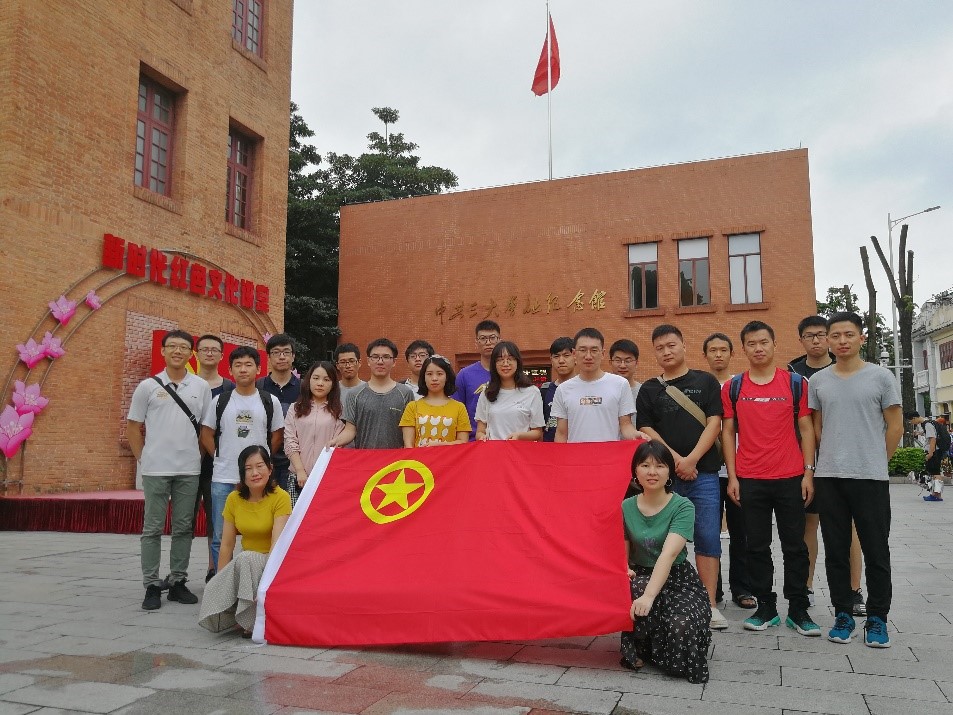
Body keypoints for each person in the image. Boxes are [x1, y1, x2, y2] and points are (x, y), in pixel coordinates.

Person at [810, 312, 903, 647]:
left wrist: (877, 460)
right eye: (835, 335)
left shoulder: (881, 377)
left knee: (876, 550)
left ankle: (877, 618)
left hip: (870, 478)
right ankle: (843, 614)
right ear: (828, 340)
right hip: (830, 477)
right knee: (836, 551)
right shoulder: (818, 381)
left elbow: (895, 426)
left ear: (861, 338)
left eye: (849, 334)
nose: (842, 341)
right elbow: (817, 428)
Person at [723, 321, 819, 636]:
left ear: (774, 344)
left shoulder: (795, 383)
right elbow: (727, 432)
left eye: (763, 342)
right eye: (751, 343)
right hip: (749, 478)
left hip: (791, 476)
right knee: (756, 546)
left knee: (795, 546)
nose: (758, 348)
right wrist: (733, 476)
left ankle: (798, 608)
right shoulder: (734, 387)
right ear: (744, 348)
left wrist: (808, 472)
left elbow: (806, 429)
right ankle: (765, 607)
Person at [636, 324, 727, 630]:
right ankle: (662, 600)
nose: (666, 351)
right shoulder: (649, 389)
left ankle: (709, 605)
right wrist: (676, 460)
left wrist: (692, 460)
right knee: (661, 541)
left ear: (684, 346)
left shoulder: (706, 381)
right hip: (665, 478)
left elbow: (715, 423)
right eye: (660, 347)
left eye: (671, 345)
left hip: (704, 475)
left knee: (707, 537)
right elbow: (646, 428)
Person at [128, 329, 212, 610]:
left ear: (191, 353)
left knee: (184, 528)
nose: (178, 351)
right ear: (163, 351)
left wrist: (197, 456)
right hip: (156, 469)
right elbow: (133, 427)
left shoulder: (201, 386)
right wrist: (143, 459)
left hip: (189, 470)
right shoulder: (147, 386)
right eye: (172, 346)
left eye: (184, 347)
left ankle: (177, 581)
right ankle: (151, 585)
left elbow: (205, 428)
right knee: (152, 529)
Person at [789, 316, 865, 614]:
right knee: (808, 524)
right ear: (801, 340)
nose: (817, 340)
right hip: (806, 461)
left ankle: (854, 590)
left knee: (850, 526)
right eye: (810, 335)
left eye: (822, 334)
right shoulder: (792, 374)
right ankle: (806, 587)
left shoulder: (847, 369)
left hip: (843, 459)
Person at [620, 440, 712, 684]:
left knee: (681, 626)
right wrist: (625, 570)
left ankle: (660, 642)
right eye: (645, 465)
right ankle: (644, 645)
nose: (652, 472)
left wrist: (649, 596)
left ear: (669, 471)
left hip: (678, 578)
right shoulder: (625, 507)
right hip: (641, 576)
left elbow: (668, 555)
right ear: (635, 470)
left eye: (660, 466)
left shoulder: (683, 506)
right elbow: (623, 552)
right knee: (636, 586)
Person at [200, 346, 284, 575]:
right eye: (238, 365)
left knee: (261, 532)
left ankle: (258, 578)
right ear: (230, 370)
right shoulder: (220, 401)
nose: (243, 369)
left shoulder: (270, 401)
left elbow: (277, 435)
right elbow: (206, 433)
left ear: (258, 368)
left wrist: (261, 463)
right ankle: (222, 582)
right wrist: (220, 456)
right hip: (224, 476)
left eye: (248, 365)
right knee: (220, 536)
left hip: (258, 479)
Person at [199, 445, 291, 637]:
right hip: (246, 564)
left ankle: (251, 621)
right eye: (248, 469)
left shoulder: (280, 497)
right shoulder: (233, 499)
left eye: (259, 466)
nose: (255, 473)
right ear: (242, 474)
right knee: (233, 569)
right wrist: (221, 581)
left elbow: (277, 546)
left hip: (272, 563)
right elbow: (226, 545)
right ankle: (239, 614)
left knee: (247, 558)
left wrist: (266, 584)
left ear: (270, 469)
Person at [703, 332, 755, 610]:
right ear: (705, 355)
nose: (718, 355)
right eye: (713, 350)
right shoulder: (700, 386)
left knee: (741, 532)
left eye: (723, 349)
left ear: (732, 353)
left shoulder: (741, 385)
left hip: (740, 469)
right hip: (708, 470)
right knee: (709, 532)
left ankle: (742, 588)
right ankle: (714, 588)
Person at [552, 328, 642, 443]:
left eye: (594, 350)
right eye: (583, 350)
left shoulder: (620, 384)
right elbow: (561, 433)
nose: (588, 356)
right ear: (574, 353)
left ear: (603, 353)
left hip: (609, 453)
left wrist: (637, 435)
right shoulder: (563, 389)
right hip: (575, 453)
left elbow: (626, 426)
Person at [194, 334, 234, 583]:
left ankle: (213, 568)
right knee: (184, 520)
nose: (209, 353)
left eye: (214, 350)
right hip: (187, 460)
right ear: (196, 353)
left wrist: (217, 455)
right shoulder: (187, 385)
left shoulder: (229, 388)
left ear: (221, 355)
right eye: (204, 349)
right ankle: (178, 575)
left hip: (217, 463)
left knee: (216, 517)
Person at [329, 338, 415, 449]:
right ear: (368, 361)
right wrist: (336, 441)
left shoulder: (405, 393)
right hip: (365, 457)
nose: (380, 361)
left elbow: (409, 435)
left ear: (394, 362)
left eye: (386, 357)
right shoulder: (354, 394)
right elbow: (350, 430)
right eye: (375, 357)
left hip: (396, 459)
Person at [284, 361, 345, 504]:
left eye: (326, 379)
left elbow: (338, 446)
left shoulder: (339, 411)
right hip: (298, 477)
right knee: (297, 517)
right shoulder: (295, 408)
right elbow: (289, 440)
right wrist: (300, 470)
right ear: (308, 380)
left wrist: (323, 474)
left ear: (333, 384)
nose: (320, 383)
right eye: (316, 378)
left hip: (326, 478)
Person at [257, 334, 301, 494]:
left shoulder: (304, 388)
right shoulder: (258, 386)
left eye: (286, 352)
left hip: (296, 462)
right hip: (264, 460)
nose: (282, 357)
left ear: (293, 356)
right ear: (268, 357)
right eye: (276, 352)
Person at [475, 342, 544, 441]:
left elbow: (537, 432)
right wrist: (482, 437)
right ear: (494, 364)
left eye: (510, 359)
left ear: (517, 362)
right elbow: (480, 431)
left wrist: (519, 436)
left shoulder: (532, 392)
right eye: (500, 360)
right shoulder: (487, 392)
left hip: (520, 449)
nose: (505, 364)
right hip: (494, 449)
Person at [399, 355, 471, 446]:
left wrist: (440, 445)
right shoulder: (412, 407)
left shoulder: (459, 407)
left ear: (447, 377)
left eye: (439, 374)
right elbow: (408, 445)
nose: (434, 378)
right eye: (429, 374)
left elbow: (463, 442)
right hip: (419, 455)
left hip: (449, 455)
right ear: (423, 377)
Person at [453, 320, 501, 440]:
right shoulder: (464, 375)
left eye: (492, 338)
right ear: (476, 342)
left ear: (499, 340)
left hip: (504, 439)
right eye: (483, 338)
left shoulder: (508, 374)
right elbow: (456, 410)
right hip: (473, 441)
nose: (488, 342)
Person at [906, 411, 948, 501]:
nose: (911, 423)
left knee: (935, 472)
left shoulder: (927, 424)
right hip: (936, 450)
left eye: (911, 421)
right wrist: (919, 433)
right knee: (934, 472)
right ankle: (935, 494)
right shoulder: (927, 423)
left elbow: (932, 439)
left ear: (914, 418)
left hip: (934, 451)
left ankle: (936, 495)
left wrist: (930, 453)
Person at [540, 337, 575, 442]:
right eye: (556, 356)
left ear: (575, 357)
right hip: (550, 448)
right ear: (551, 360)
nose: (561, 361)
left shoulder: (584, 388)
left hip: (577, 447)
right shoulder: (544, 391)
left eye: (566, 355)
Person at [609, 338, 642, 411]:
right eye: (618, 360)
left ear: (636, 363)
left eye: (628, 361)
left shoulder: (643, 392)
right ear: (610, 363)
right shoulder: (603, 390)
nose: (623, 366)